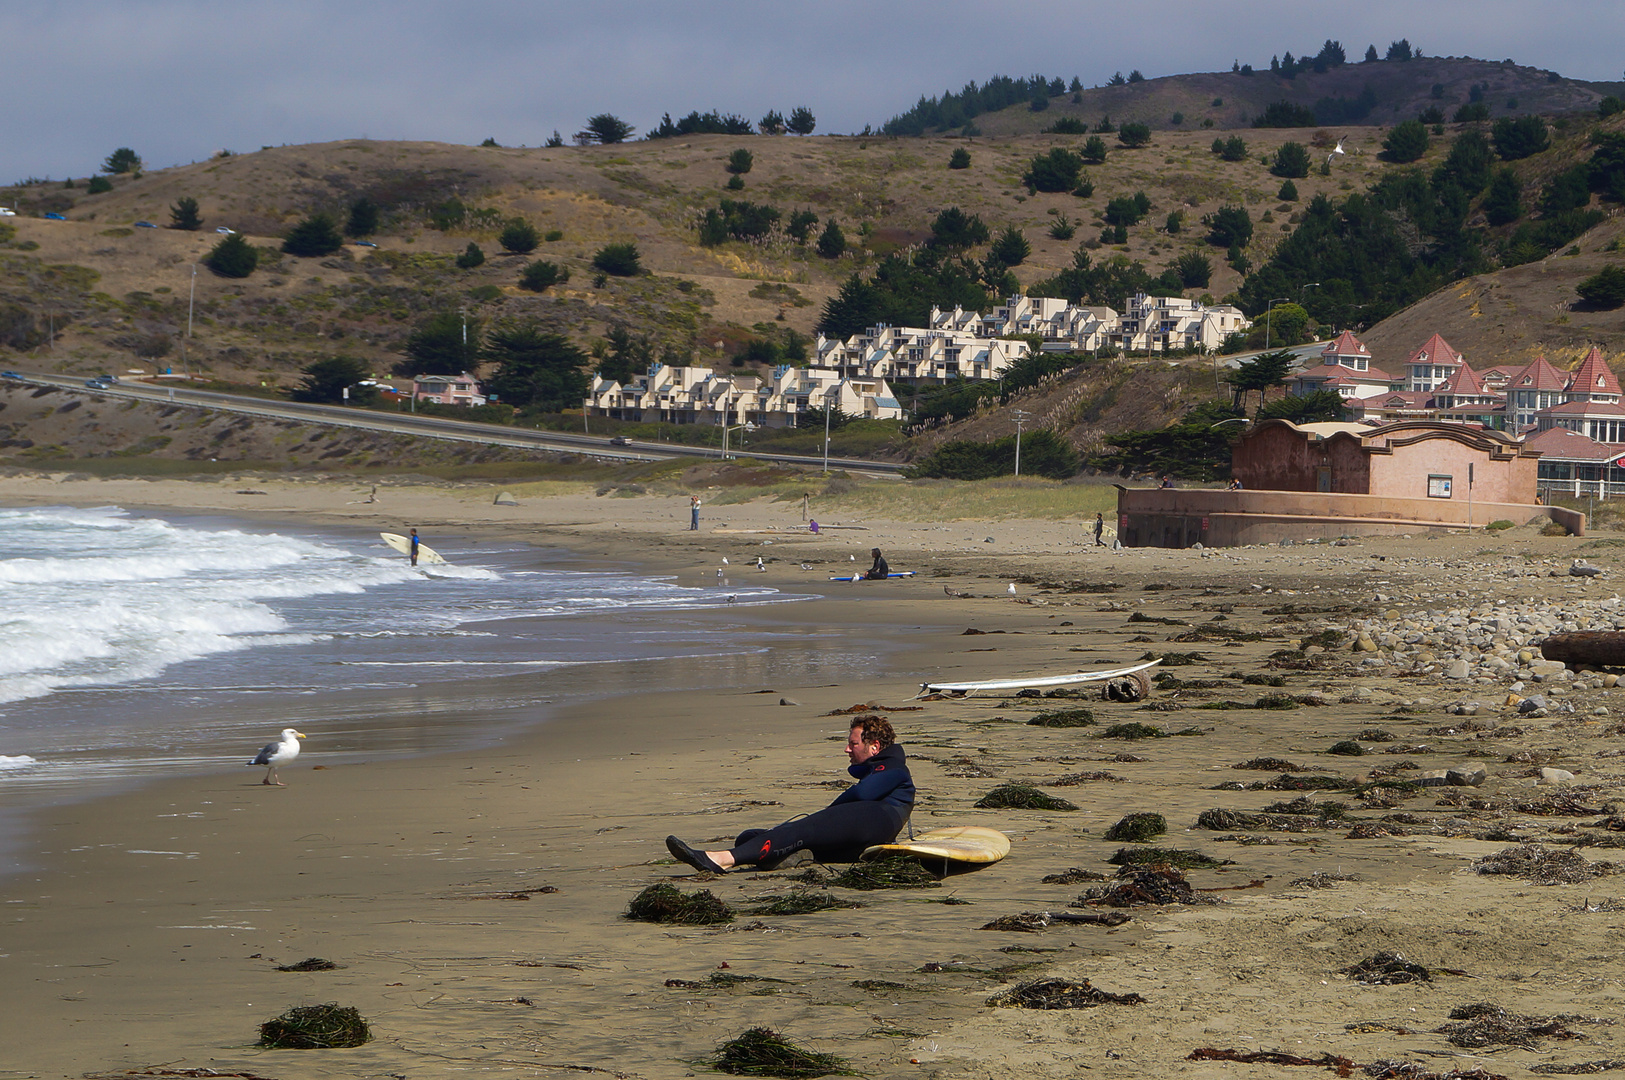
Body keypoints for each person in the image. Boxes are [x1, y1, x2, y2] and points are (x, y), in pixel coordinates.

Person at [666, 715, 913, 872]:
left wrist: (824, 815)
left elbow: (862, 795)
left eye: (853, 743)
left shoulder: (894, 767)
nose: (847, 748)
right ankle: (794, 855)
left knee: (805, 829)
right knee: (750, 837)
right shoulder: (880, 770)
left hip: (879, 821)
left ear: (875, 747)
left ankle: (721, 859)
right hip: (862, 836)